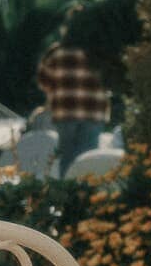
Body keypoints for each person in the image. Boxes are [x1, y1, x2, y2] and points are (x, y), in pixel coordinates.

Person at [35, 30, 111, 176]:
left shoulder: (56, 53)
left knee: (67, 158)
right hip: (93, 113)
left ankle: (68, 194)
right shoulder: (100, 52)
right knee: (89, 158)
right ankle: (86, 194)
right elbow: (113, 80)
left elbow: (43, 81)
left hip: (65, 113)